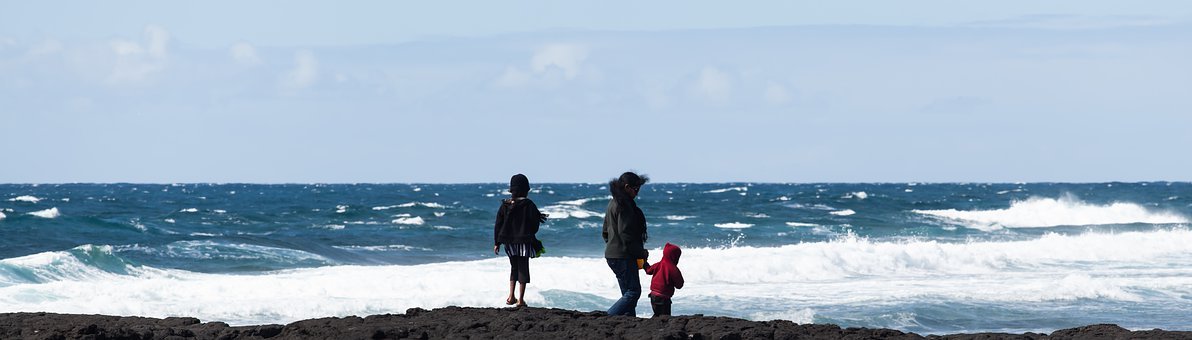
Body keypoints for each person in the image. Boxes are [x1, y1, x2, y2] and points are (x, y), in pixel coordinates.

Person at [493, 174, 545, 307]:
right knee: (523, 268)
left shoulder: (505, 205)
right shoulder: (529, 205)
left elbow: (498, 224)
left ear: (512, 190)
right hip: (523, 242)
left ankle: (511, 296)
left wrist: (496, 243)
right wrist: (529, 233)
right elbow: (535, 225)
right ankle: (521, 300)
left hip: (508, 243)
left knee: (514, 267)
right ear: (526, 190)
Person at [602, 171, 650, 316]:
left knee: (627, 293)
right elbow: (626, 235)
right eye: (636, 189)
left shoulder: (613, 202)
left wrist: (612, 244)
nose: (637, 193)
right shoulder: (624, 205)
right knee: (634, 292)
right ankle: (608, 316)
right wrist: (641, 253)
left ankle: (629, 319)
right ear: (627, 187)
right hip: (623, 256)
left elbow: (605, 232)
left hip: (612, 255)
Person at [644, 242, 684, 317]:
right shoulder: (673, 269)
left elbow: (648, 270)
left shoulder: (658, 264)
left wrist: (645, 263)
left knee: (657, 314)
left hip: (653, 295)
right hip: (664, 298)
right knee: (665, 317)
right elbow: (679, 285)